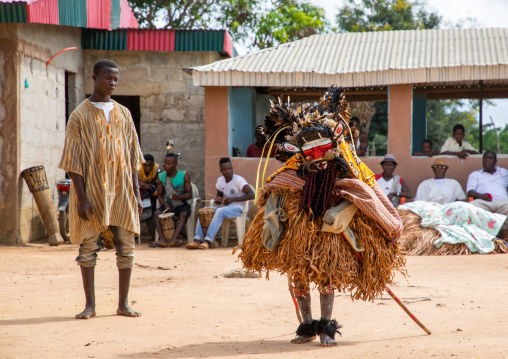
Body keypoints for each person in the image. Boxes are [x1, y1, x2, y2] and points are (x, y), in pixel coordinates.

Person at [238, 86, 404, 347]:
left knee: (326, 273)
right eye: (310, 152)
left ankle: (327, 327)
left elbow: (366, 194)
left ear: (335, 140)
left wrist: (346, 207)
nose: (318, 158)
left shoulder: (347, 169)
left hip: (331, 232)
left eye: (323, 149)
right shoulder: (292, 171)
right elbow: (275, 189)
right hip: (298, 231)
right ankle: (307, 327)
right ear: (296, 150)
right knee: (298, 275)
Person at [58, 59, 143, 320]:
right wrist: (81, 199)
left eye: (116, 79)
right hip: (91, 193)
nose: (113, 83)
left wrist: (137, 193)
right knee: (88, 247)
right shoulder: (79, 115)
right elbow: (73, 162)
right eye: (108, 78)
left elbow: (132, 156)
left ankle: (123, 304)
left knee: (126, 247)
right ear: (94, 78)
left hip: (121, 191)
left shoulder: (124, 114)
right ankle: (90, 305)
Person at [186, 157, 254, 249]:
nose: (228, 171)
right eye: (225, 169)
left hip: (239, 208)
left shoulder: (238, 180)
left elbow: (252, 195)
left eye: (230, 168)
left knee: (220, 212)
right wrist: (218, 199)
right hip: (227, 208)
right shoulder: (220, 180)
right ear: (221, 170)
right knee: (203, 210)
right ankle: (197, 240)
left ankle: (208, 240)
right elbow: (219, 194)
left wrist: (233, 200)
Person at [152, 153, 192, 248]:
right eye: (165, 163)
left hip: (181, 204)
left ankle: (174, 239)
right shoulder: (161, 176)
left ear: (175, 164)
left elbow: (190, 195)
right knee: (156, 213)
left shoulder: (184, 175)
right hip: (168, 204)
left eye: (169, 164)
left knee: (184, 215)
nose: (166, 165)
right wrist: (165, 205)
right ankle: (162, 240)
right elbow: (160, 196)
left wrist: (178, 197)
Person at [467, 151, 508, 216]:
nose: (487, 160)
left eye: (490, 158)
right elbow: (470, 192)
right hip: (483, 203)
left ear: (495, 162)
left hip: (502, 202)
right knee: (469, 207)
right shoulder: (475, 174)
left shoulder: (504, 173)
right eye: (485, 158)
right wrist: (482, 196)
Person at [138, 154, 159, 241]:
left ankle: (156, 236)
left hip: (152, 196)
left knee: (154, 210)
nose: (148, 167)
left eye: (150, 165)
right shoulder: (137, 170)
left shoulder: (157, 171)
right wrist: (139, 183)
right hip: (140, 196)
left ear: (153, 164)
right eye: (145, 165)